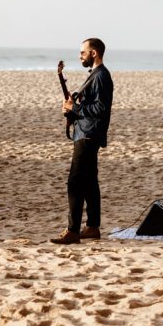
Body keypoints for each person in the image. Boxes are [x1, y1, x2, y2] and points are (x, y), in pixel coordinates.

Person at [51, 38, 114, 245]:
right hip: (85, 132)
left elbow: (100, 109)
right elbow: (88, 108)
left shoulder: (101, 76)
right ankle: (92, 227)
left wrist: (74, 109)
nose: (80, 56)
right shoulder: (95, 76)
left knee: (75, 183)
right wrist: (70, 111)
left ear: (94, 53)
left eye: (83, 52)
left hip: (88, 135)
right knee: (89, 182)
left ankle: (72, 231)